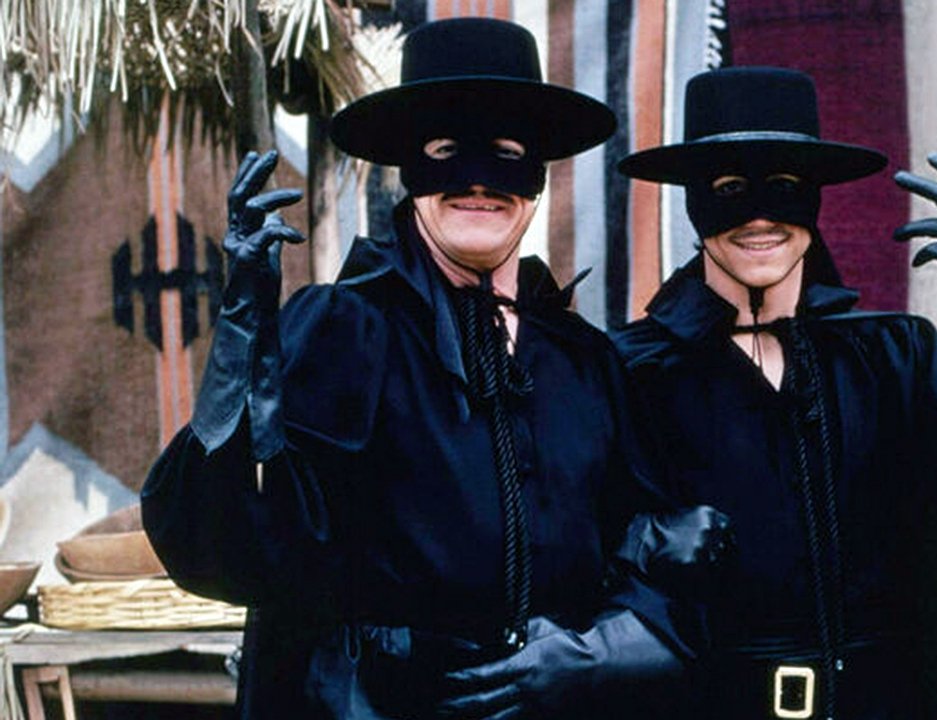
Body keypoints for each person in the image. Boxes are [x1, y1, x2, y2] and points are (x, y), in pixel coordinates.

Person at [142, 18, 724, 719]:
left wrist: (592, 654)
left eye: (507, 155)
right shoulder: (343, 329)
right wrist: (244, 330)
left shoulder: (584, 361)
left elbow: (649, 549)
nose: (477, 181)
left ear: (538, 177)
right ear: (409, 171)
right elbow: (224, 542)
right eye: (447, 152)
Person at [611, 66, 937, 719]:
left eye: (784, 188)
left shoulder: (894, 361)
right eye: (729, 190)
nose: (759, 216)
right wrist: (638, 539)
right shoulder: (632, 374)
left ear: (814, 198)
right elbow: (567, 539)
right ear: (695, 203)